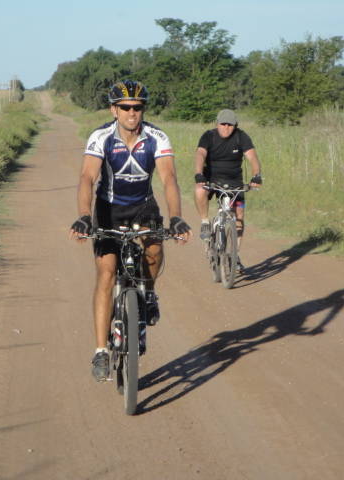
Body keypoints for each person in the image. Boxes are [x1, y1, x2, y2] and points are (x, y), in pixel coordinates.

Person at [69, 80, 191, 382]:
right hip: (109, 207)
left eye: (137, 107)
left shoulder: (157, 137)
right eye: (125, 107)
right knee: (107, 272)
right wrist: (84, 216)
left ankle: (148, 293)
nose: (132, 113)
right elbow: (87, 177)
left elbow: (169, 178)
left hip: (142, 204)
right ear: (114, 109)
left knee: (154, 247)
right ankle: (100, 351)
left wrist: (176, 217)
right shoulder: (101, 137)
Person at [193, 109, 262, 272]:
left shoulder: (241, 136)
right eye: (223, 124)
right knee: (199, 190)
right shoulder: (208, 136)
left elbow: (252, 157)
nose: (226, 128)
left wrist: (256, 175)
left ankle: (234, 255)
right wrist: (198, 173)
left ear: (235, 125)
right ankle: (204, 222)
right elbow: (200, 154)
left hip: (234, 182)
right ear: (217, 124)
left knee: (239, 215)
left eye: (230, 125)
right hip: (211, 178)